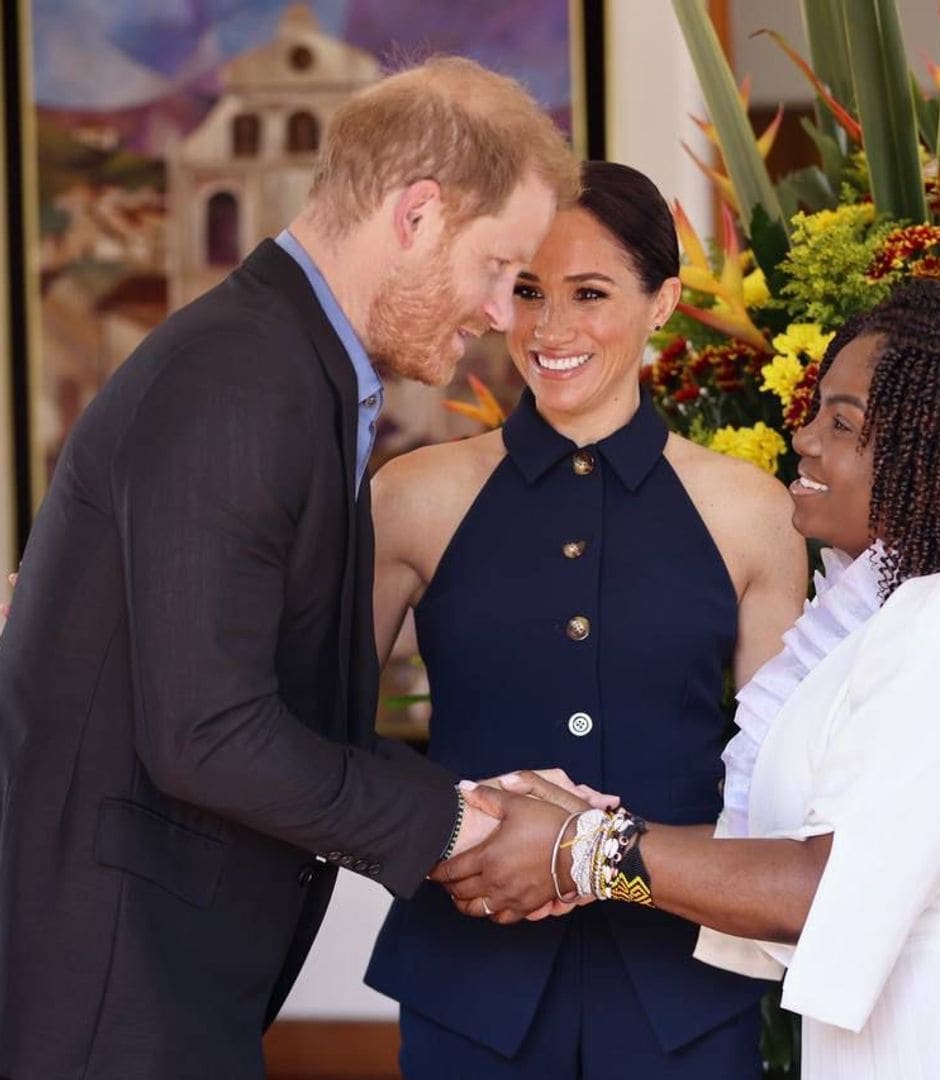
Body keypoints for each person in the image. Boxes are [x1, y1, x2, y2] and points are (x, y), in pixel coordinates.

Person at [0, 57, 580, 1079]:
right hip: (107, 993)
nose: (502, 314)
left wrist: (465, 802)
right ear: (417, 216)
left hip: (147, 976)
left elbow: (254, 710)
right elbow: (209, 734)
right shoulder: (241, 378)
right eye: (498, 267)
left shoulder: (289, 368)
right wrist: (454, 822)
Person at [437, 277, 940, 1079]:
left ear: (934, 449)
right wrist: (574, 829)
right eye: (815, 411)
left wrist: (581, 850)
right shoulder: (907, 614)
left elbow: (822, 886)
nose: (804, 439)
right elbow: (786, 855)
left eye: (842, 423)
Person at [364, 161, 807, 1077]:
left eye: (589, 293)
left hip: (683, 995)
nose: (550, 328)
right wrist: (452, 833)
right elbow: (315, 732)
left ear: (664, 302)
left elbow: (779, 792)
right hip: (466, 981)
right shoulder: (412, 497)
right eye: (527, 290)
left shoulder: (753, 511)